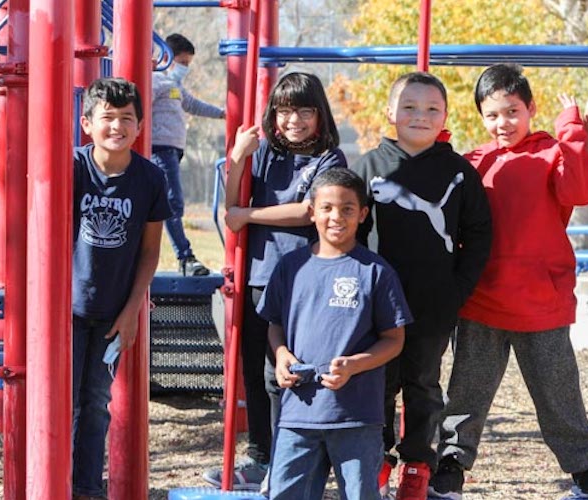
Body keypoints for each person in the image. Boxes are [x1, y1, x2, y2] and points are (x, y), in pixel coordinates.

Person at [428, 64, 588, 500]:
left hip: (541, 302)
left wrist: (575, 127)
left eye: (512, 112)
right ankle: (452, 466)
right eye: (491, 115)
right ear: (480, 117)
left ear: (531, 108)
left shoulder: (554, 152)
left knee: (558, 393)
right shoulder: (473, 161)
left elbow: (581, 191)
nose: (502, 123)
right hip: (482, 299)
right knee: (466, 394)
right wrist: (436, 144)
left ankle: (585, 470)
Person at [350, 71, 494, 500]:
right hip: (376, 304)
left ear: (445, 115)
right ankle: (375, 456)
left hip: (433, 302)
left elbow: (479, 232)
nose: (420, 116)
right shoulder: (368, 167)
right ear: (390, 112)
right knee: (377, 380)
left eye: (432, 109)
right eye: (409, 107)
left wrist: (458, 288)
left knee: (424, 383)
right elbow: (348, 232)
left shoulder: (458, 171)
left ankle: (417, 462)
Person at [205, 72, 349, 492]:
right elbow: (232, 203)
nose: (294, 120)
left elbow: (309, 211)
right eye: (285, 111)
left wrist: (248, 215)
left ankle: (295, 457)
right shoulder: (265, 153)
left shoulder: (330, 159)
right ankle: (261, 456)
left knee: (287, 372)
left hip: (304, 280)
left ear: (320, 114)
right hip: (259, 275)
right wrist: (237, 157)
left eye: (305, 111)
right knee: (254, 369)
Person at [261, 167, 412, 499]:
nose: (336, 217)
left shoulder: (376, 272)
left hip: (356, 416)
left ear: (362, 214)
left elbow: (394, 340)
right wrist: (282, 355)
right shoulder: (290, 267)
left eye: (347, 209)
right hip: (298, 413)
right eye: (327, 208)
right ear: (312, 212)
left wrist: (354, 365)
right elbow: (274, 325)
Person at [72, 77, 170, 500]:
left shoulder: (149, 178)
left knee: (96, 403)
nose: (117, 126)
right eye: (106, 117)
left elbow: (150, 251)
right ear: (86, 124)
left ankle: (86, 489)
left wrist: (133, 310)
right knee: (63, 400)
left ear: (141, 126)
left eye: (126, 118)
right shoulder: (72, 168)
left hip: (114, 312)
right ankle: (53, 481)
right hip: (68, 308)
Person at [150, 33, 225, 276]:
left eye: (188, 65)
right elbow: (139, 104)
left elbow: (193, 105)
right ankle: (185, 256)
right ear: (167, 57)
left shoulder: (175, 87)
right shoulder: (156, 81)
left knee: (169, 202)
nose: (185, 69)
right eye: (182, 63)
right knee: (173, 203)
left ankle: (183, 255)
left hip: (173, 151)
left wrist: (223, 113)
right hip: (158, 149)